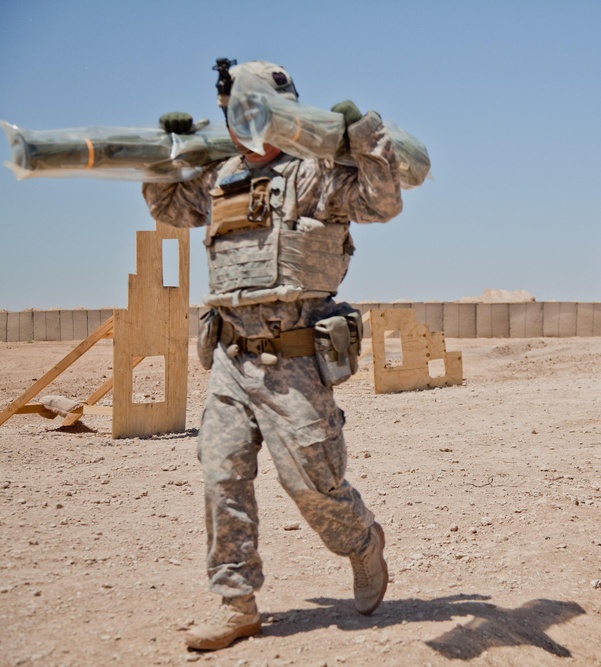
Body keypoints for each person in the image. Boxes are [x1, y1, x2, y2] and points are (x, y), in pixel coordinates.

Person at [144, 60, 403, 651]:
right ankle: (234, 602)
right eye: (236, 113)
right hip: (232, 358)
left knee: (312, 486)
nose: (245, 125)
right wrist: (167, 157)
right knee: (222, 475)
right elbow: (169, 210)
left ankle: (363, 544)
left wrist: (365, 138)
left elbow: (381, 202)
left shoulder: (313, 175)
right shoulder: (220, 178)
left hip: (294, 361)